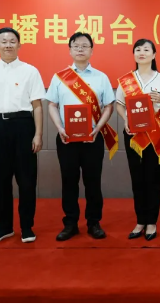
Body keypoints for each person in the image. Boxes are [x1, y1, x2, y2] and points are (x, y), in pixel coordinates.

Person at [0, 27, 45, 244]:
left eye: (12, 41)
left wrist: (38, 134)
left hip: (23, 126)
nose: (8, 45)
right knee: (0, 181)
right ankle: (4, 227)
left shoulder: (30, 71)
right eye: (3, 42)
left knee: (27, 180)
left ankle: (27, 227)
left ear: (19, 45)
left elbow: (37, 106)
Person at [45, 32, 118, 241]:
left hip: (93, 138)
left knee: (93, 182)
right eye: (76, 45)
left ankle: (94, 222)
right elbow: (52, 105)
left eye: (85, 46)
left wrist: (98, 128)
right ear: (70, 50)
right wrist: (59, 127)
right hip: (66, 138)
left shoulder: (101, 77)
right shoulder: (60, 77)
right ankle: (70, 224)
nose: (80, 49)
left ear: (91, 51)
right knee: (69, 182)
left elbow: (109, 106)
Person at [116, 39, 160, 241]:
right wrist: (125, 120)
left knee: (154, 178)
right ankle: (140, 220)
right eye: (138, 49)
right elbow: (119, 104)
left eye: (146, 49)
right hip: (133, 134)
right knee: (137, 178)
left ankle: (151, 222)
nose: (142, 52)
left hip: (156, 133)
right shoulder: (126, 80)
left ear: (154, 54)